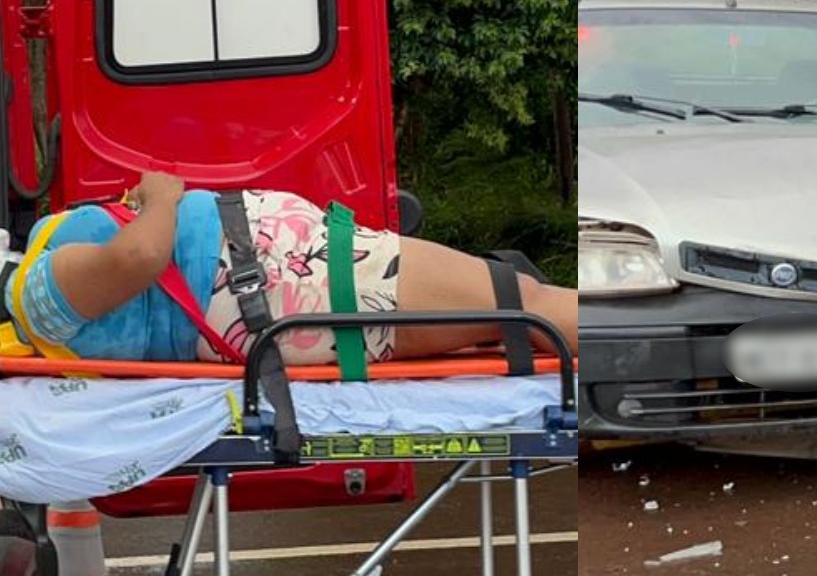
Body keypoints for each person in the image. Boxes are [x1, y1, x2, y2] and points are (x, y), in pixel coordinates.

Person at [2, 172, 577, 364]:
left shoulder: (36, 294)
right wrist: (161, 196)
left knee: (519, 303)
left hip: (296, 277)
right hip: (303, 285)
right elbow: (140, 256)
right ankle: (646, 356)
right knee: (522, 303)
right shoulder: (36, 296)